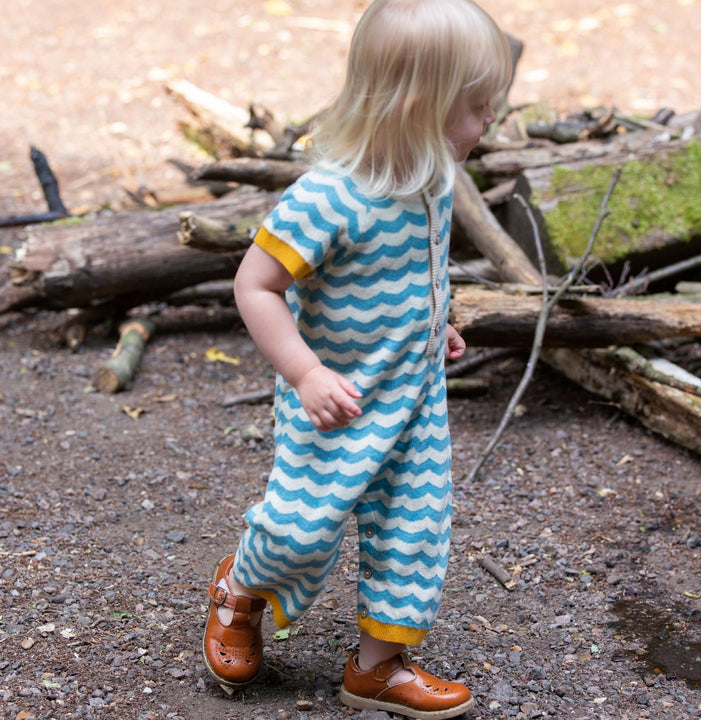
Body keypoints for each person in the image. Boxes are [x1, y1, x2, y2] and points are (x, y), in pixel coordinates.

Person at [202, 0, 511, 717]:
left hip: (415, 399)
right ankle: (241, 589)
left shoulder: (434, 177)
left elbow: (422, 268)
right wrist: (305, 372)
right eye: (478, 105)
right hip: (335, 401)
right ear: (418, 106)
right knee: (302, 526)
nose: (490, 118)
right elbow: (255, 285)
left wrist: (440, 324)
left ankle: (377, 667)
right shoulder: (329, 197)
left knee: (417, 526)